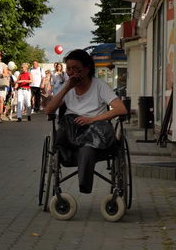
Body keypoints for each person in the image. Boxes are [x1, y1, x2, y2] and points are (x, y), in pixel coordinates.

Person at [44, 49, 127, 193]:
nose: (72, 73)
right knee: (64, 130)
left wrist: (92, 119)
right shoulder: (68, 86)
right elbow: (48, 110)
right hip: (72, 130)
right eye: (69, 69)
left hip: (95, 130)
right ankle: (73, 155)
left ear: (87, 69)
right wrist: (66, 88)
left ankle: (84, 185)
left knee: (87, 147)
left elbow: (121, 109)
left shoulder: (99, 86)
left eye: (76, 69)